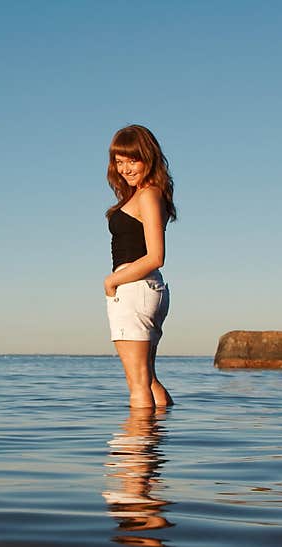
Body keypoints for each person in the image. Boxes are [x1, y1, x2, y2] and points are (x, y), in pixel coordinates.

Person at [103, 124, 175, 408]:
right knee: (148, 379)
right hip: (143, 288)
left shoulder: (148, 195)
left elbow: (156, 256)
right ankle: (155, 444)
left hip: (134, 288)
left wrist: (111, 282)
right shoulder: (146, 194)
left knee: (137, 383)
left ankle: (138, 452)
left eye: (132, 160)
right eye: (119, 162)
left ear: (148, 156)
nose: (125, 168)